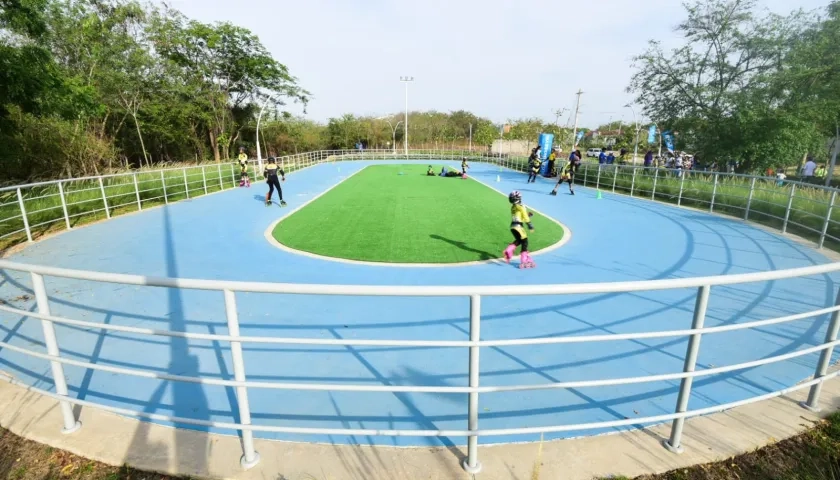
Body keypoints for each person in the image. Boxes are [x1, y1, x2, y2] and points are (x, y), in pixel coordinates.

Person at [503, 191, 536, 269]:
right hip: (519, 226)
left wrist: (528, 215)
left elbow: (519, 216)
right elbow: (524, 216)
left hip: (513, 226)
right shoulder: (521, 206)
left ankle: (509, 249)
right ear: (518, 198)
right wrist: (529, 225)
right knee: (525, 241)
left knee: (519, 240)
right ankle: (524, 260)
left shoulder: (513, 207)